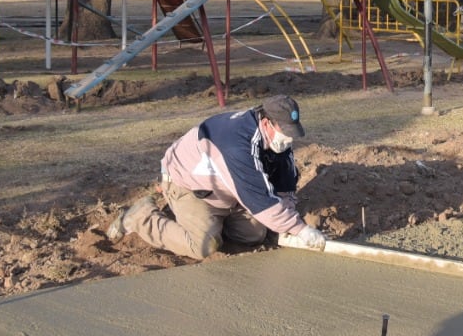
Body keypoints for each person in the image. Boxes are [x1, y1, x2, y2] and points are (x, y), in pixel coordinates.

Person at [106, 94, 327, 258]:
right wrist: (300, 229)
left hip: (226, 192)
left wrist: (289, 215)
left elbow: (284, 186)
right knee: (203, 246)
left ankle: (216, 224)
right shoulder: (236, 144)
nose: (288, 139)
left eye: (291, 133)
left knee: (254, 235)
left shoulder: (276, 140)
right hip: (191, 188)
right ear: (267, 122)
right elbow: (258, 199)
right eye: (284, 132)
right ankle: (142, 217)